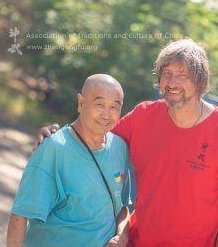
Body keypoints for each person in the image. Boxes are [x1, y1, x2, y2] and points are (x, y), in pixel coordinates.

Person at [37, 38, 218, 247]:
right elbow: (95, 137)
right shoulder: (144, 116)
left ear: (200, 81)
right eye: (167, 74)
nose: (173, 83)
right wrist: (59, 136)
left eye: (183, 75)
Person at [7, 74, 131, 247]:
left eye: (114, 107)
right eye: (99, 104)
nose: (106, 114)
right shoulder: (53, 148)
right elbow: (20, 215)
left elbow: (122, 207)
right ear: (81, 103)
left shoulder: (120, 147)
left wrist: (121, 237)